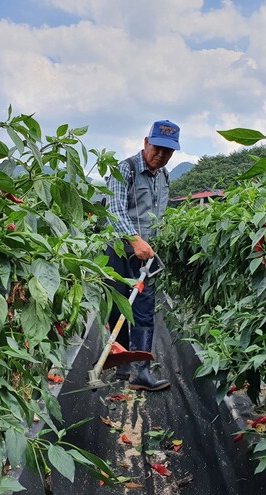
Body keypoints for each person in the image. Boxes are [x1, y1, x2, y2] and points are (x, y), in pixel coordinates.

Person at [104, 119, 180, 392]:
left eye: (168, 152)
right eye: (157, 148)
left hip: (144, 256)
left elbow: (159, 214)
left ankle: (141, 371)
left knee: (144, 309)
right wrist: (135, 239)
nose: (161, 156)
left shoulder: (164, 175)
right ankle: (123, 364)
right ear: (146, 143)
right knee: (117, 306)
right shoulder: (125, 169)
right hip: (118, 251)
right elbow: (113, 210)